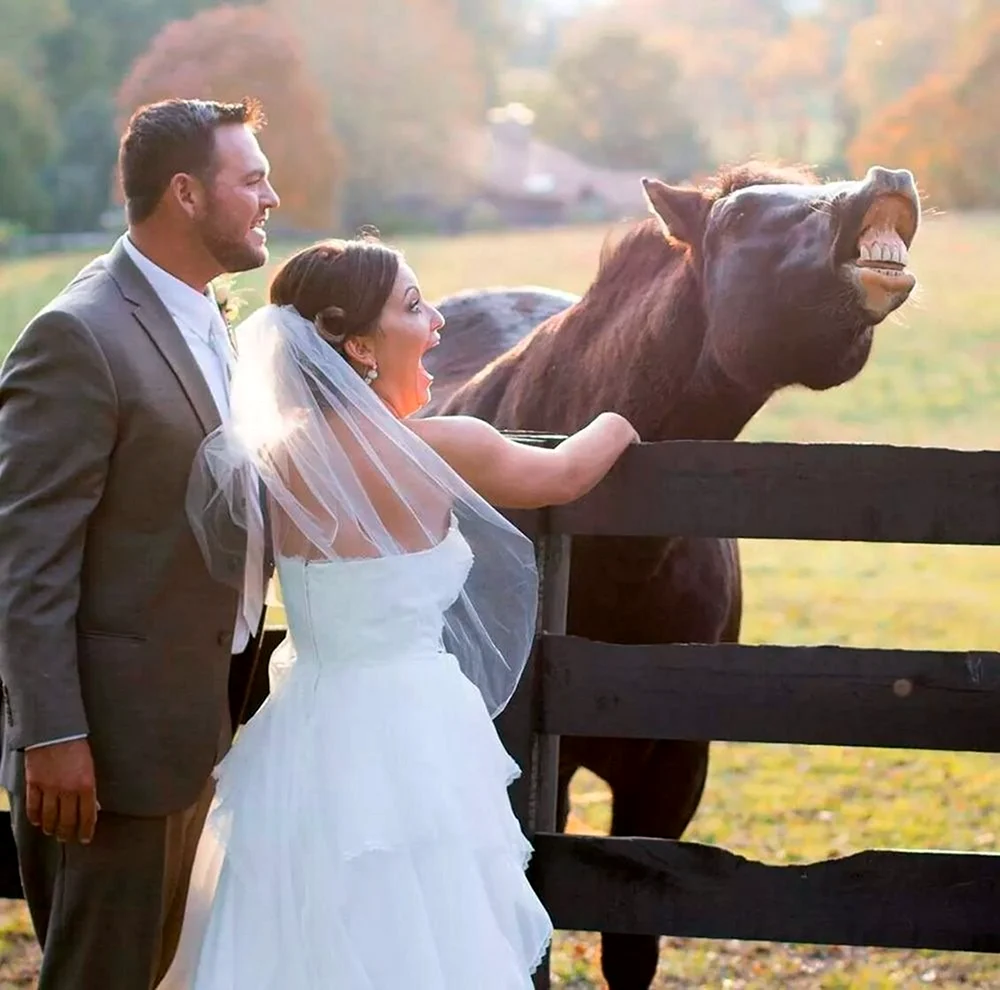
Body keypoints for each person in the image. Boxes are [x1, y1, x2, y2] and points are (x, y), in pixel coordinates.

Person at [158, 234, 639, 990]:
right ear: (356, 345)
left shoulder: (270, 457)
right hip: (415, 732)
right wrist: (621, 421)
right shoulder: (445, 447)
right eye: (414, 306)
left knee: (299, 921)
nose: (438, 320)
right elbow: (565, 472)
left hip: (302, 727)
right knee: (425, 926)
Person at [0, 97, 280, 989]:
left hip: (200, 721)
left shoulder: (208, 317)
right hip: (106, 753)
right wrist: (53, 735)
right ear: (187, 194)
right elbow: (26, 561)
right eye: (253, 179)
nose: (271, 197)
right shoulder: (79, 336)